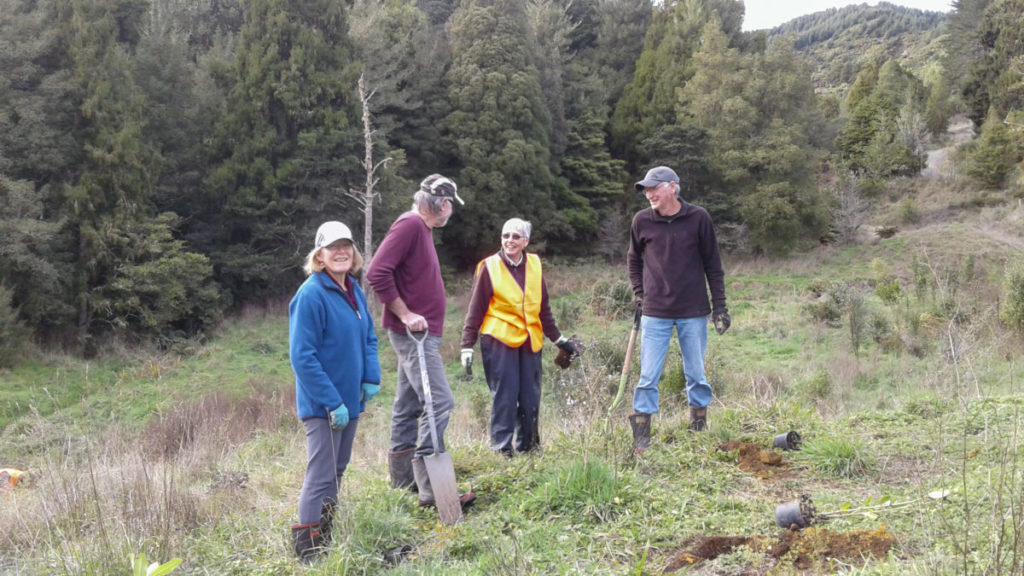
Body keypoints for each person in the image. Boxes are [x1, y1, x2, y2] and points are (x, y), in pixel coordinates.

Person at [366, 174, 476, 510]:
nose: (450, 213)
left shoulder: (420, 229)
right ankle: (433, 488)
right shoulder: (410, 225)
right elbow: (376, 272)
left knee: (408, 404)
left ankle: (402, 483)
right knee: (439, 402)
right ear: (442, 205)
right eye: (451, 207)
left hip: (419, 335)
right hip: (415, 335)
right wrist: (405, 314)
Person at [288, 221, 381, 561]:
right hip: (323, 405)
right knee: (321, 474)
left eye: (346, 246)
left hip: (351, 401)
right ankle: (308, 553)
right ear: (319, 255)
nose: (341, 252)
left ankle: (326, 537)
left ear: (354, 252)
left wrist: (370, 376)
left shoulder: (353, 289)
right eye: (332, 247)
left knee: (337, 470)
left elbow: (369, 336)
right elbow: (302, 357)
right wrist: (331, 401)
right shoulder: (310, 295)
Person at [627, 166, 730, 453]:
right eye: (645, 189)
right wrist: (639, 293)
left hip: (693, 310)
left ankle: (698, 431)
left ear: (672, 187)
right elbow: (633, 261)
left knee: (696, 374)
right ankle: (641, 440)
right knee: (648, 376)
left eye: (654, 188)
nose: (648, 194)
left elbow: (713, 265)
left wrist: (719, 306)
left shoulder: (699, 218)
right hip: (654, 311)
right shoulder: (641, 221)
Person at [459, 218, 578, 456]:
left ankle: (529, 447)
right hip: (498, 339)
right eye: (505, 236)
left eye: (515, 236)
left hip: (530, 340)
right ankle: (502, 450)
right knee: (505, 396)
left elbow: (543, 308)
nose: (509, 241)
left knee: (530, 397)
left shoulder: (535, 264)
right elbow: (476, 308)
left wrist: (558, 339)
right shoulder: (489, 267)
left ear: (526, 241)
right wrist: (466, 345)